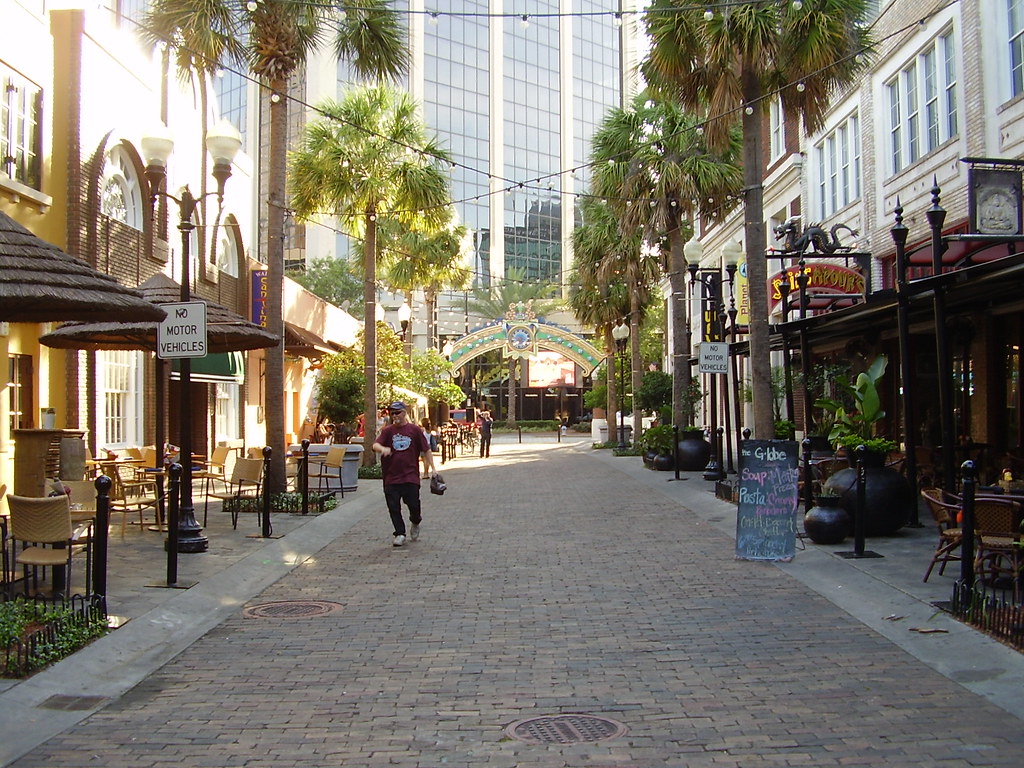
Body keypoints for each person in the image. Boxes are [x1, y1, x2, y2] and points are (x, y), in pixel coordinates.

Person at [372, 401, 439, 547]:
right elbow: (375, 445)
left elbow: (426, 450)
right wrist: (383, 449)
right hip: (391, 476)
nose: (394, 416)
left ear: (404, 413)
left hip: (410, 476)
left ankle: (415, 521)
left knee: (414, 505)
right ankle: (400, 533)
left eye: (397, 412)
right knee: (393, 506)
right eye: (392, 413)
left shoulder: (414, 430)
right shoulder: (387, 431)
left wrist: (433, 468)